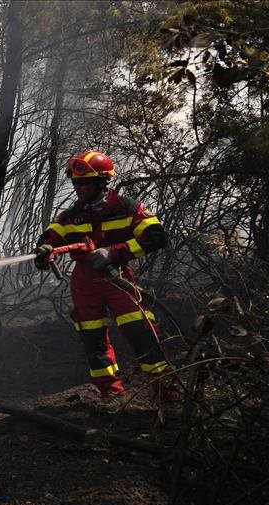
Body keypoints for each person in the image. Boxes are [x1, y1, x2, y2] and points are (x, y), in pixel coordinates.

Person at [33, 150, 175, 399]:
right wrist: (44, 252)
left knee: (141, 332)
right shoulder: (70, 216)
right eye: (76, 183)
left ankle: (168, 393)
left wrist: (113, 252)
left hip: (117, 278)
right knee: (93, 340)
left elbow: (156, 237)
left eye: (84, 183)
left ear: (101, 181)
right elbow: (50, 238)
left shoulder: (126, 208)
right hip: (84, 282)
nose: (78, 188)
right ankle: (111, 396)